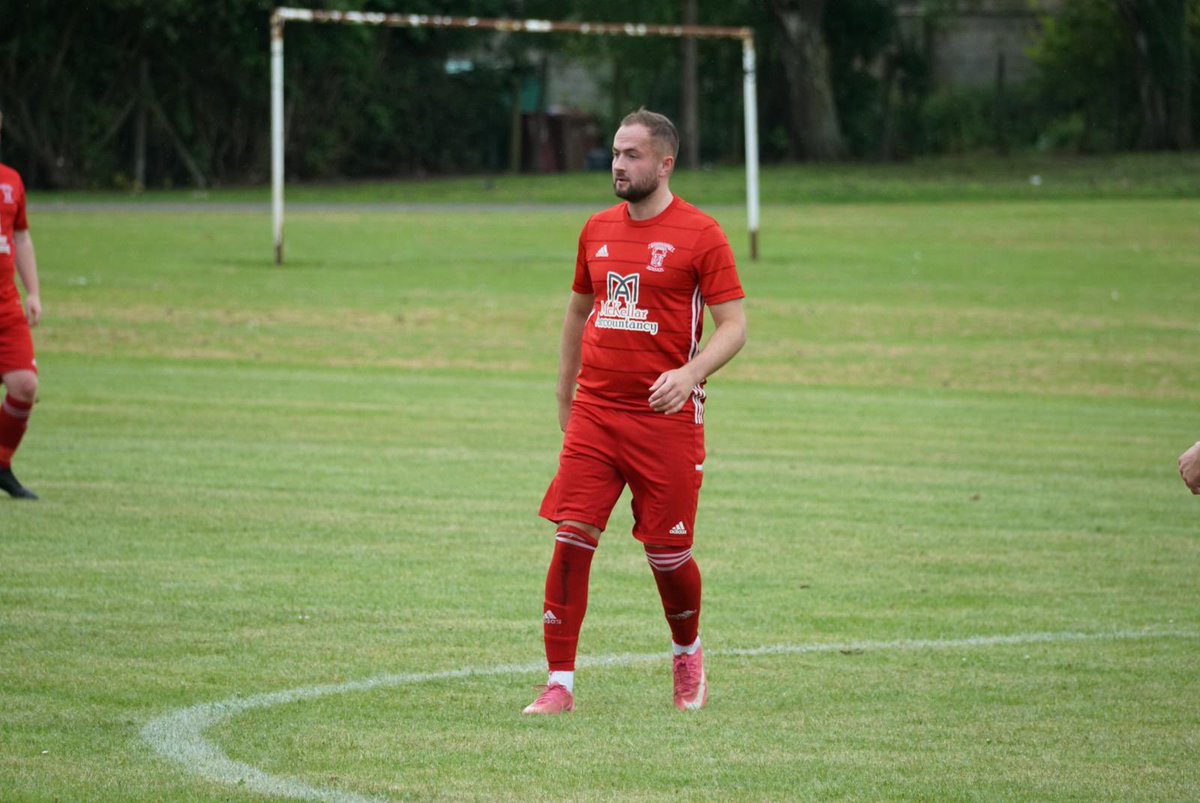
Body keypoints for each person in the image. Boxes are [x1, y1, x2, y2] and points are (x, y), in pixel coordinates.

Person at [524, 109, 747, 715]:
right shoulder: (596, 228)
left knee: (668, 555)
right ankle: (559, 685)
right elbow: (577, 311)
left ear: (665, 163)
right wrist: (566, 394)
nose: (618, 165)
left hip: (665, 420)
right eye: (615, 154)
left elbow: (735, 327)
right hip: (597, 413)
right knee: (572, 536)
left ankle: (687, 654)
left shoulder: (702, 234)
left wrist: (689, 373)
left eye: (632, 155)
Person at [0, 109, 43, 500]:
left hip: (6, 305)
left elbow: (22, 237)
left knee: (25, 385)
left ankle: (1, 462)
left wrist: (33, 292)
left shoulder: (11, 181)